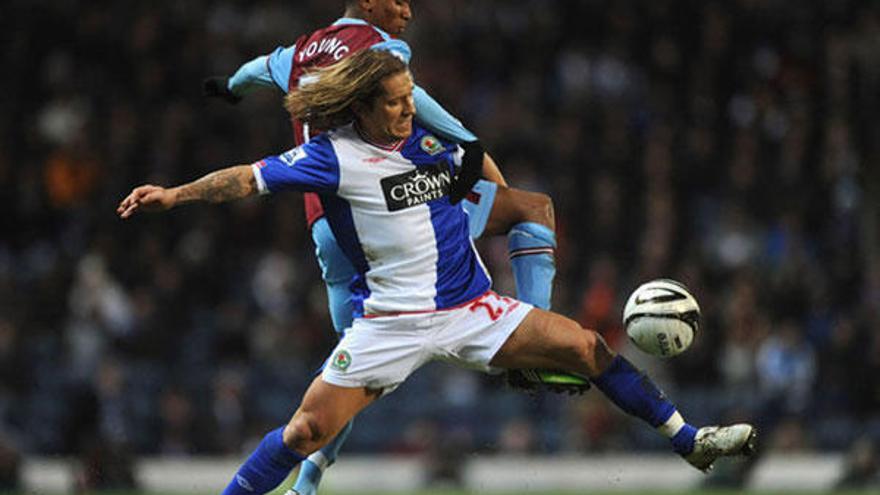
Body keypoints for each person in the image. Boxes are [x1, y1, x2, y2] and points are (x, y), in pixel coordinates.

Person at [118, 49, 757, 495]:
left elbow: (471, 205)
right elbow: (246, 179)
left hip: (472, 308)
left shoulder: (432, 145)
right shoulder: (330, 157)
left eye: (408, 101)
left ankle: (690, 441)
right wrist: (175, 194)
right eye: (394, 103)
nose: (406, 111)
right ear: (362, 106)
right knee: (306, 430)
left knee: (589, 347)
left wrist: (524, 214)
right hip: (392, 321)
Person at [204, 2, 583, 492]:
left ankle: (306, 485)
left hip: (328, 227)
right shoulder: (379, 50)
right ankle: (534, 346)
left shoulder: (299, 53)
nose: (407, 9)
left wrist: (227, 89)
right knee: (532, 210)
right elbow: (448, 125)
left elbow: (253, 71)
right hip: (388, 211)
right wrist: (494, 180)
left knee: (349, 367)